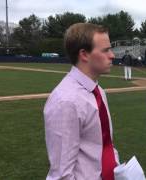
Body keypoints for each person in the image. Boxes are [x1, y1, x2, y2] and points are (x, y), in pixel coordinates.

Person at [44, 23, 119, 180]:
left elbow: (105, 145)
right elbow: (62, 175)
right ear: (84, 54)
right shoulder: (66, 101)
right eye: (105, 50)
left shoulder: (98, 92)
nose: (112, 55)